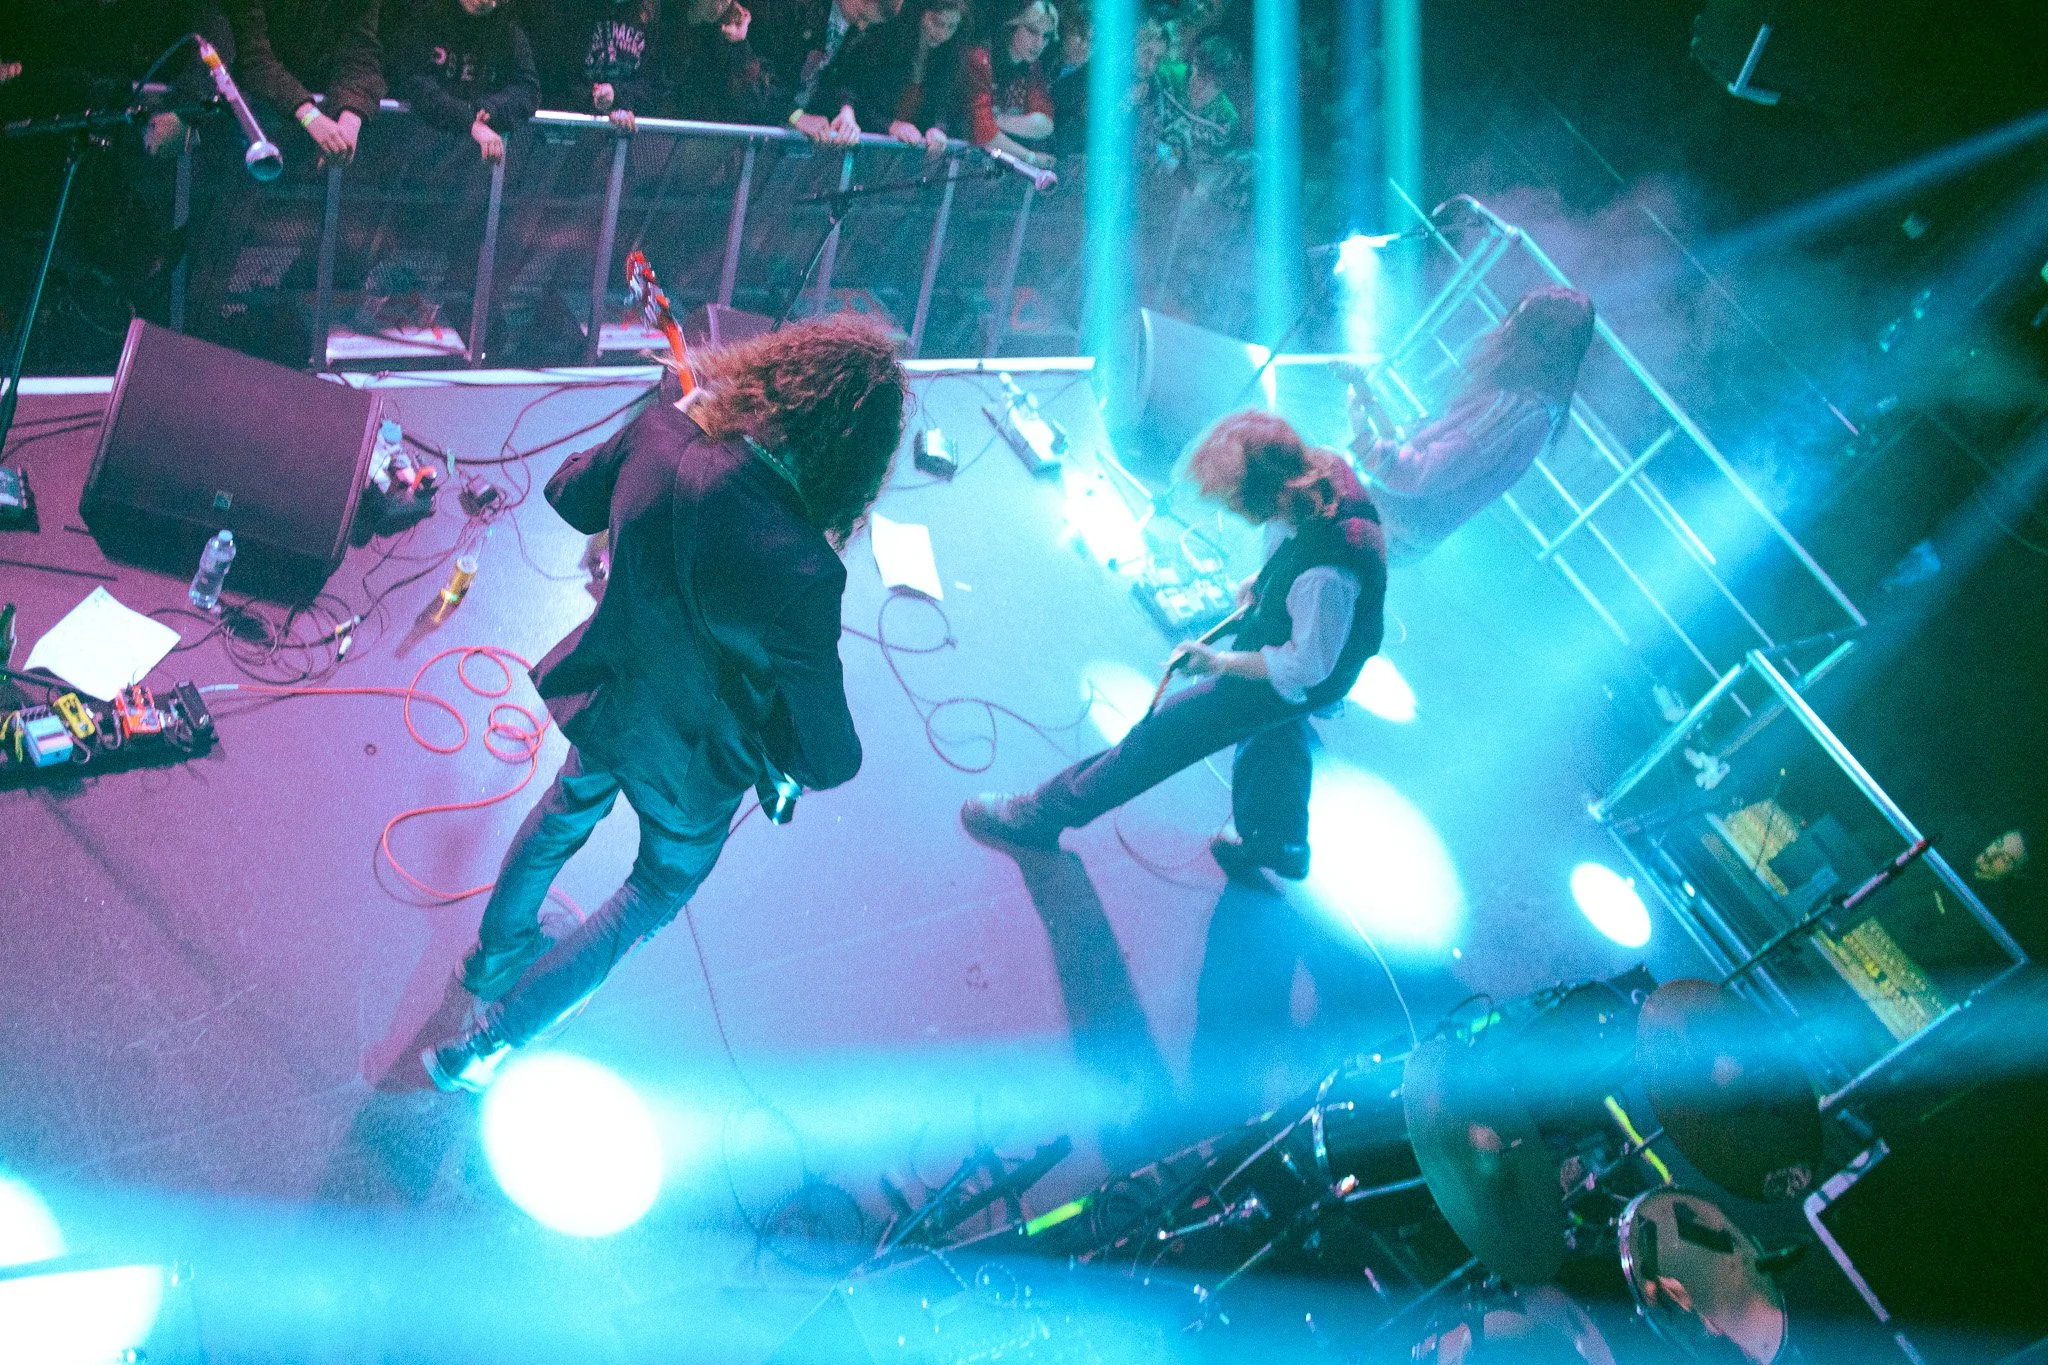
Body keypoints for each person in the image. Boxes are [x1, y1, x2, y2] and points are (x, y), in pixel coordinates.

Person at [423, 316, 909, 1092]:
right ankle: (483, 1045)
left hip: (608, 690)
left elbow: (567, 491)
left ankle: (491, 958)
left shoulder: (660, 434)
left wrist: (674, 425)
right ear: (853, 461)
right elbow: (829, 757)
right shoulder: (808, 571)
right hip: (693, 765)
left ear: (773, 375)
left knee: (562, 812)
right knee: (650, 891)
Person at [962, 411, 1388, 884]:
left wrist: (1218, 662)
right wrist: (1264, 581)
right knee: (1275, 735)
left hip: (1312, 670)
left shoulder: (1325, 576)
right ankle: (1280, 843)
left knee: (1163, 736)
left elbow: (1306, 667)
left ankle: (1040, 816)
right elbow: (1293, 544)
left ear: (1264, 493)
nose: (1229, 510)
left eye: (1232, 501)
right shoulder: (1314, 475)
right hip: (1308, 641)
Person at [1346, 285, 1596, 563]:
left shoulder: (1512, 412)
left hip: (1382, 525)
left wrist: (1364, 439)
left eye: (1517, 318)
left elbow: (1421, 473)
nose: (1504, 325)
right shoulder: (1536, 413)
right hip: (1398, 532)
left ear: (1535, 340)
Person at [222, 0, 385, 166]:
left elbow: (361, 55)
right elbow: (252, 60)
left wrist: (349, 121)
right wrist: (310, 116)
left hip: (316, 137)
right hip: (247, 131)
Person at [796, 0, 969, 155]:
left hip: (902, 155)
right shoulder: (887, 42)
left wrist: (937, 129)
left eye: (951, 27)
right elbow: (853, 87)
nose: (942, 34)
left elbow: (945, 106)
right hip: (861, 145)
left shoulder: (949, 59)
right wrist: (889, 125)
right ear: (921, 13)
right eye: (937, 22)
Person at [383, 0, 541, 162]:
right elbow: (414, 83)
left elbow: (528, 89)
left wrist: (491, 109)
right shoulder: (425, 19)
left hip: (478, 158)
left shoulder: (508, 29)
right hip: (408, 147)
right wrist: (469, 122)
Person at [758, 0, 885, 135]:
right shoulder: (795, 6)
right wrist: (794, 115)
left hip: (801, 126)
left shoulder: (854, 25)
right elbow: (758, 67)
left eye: (870, 22)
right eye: (861, 15)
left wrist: (846, 108)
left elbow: (845, 76)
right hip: (760, 120)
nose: (862, 26)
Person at [968, 0, 1057, 162]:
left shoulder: (1032, 68)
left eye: (1046, 36)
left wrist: (996, 120)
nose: (1039, 43)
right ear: (1012, 26)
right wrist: (1030, 157)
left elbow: (1045, 123)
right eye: (1032, 31)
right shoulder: (980, 58)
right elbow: (981, 132)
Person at [659, 0, 774, 123]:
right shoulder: (668, 15)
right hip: (673, 122)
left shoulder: (746, 23)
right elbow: (664, 81)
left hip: (725, 127)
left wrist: (739, 43)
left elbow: (758, 101)